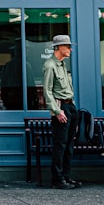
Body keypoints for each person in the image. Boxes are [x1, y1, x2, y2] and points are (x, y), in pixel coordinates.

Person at [42, 34, 79, 189]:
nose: (70, 49)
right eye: (67, 46)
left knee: (69, 145)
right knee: (60, 145)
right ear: (58, 47)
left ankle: (65, 176)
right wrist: (57, 111)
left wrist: (73, 109)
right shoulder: (50, 65)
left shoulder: (62, 64)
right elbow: (47, 91)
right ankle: (57, 179)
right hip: (61, 108)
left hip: (70, 107)